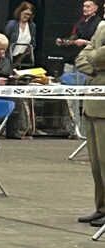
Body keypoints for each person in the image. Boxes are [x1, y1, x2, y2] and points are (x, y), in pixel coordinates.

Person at [75, 21, 105, 227]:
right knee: (96, 164)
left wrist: (95, 57)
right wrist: (96, 66)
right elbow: (81, 58)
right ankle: (101, 208)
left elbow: (97, 55)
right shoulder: (102, 27)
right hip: (92, 104)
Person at [4, 1, 36, 67]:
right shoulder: (11, 24)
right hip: (7, 58)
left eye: (29, 14)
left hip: (22, 59)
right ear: (20, 12)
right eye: (25, 13)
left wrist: (20, 58)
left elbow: (32, 44)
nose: (26, 16)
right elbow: (4, 42)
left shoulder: (32, 26)